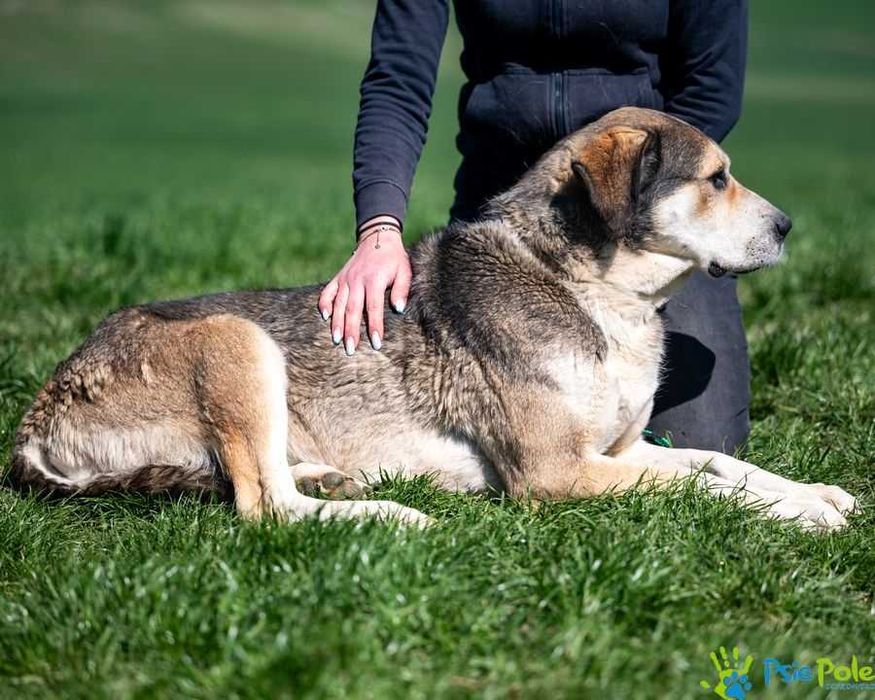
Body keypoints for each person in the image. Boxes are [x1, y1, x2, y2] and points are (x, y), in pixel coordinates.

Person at [318, 0, 750, 454]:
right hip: (509, 221)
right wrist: (380, 229)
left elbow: (711, 88)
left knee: (705, 437)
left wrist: (628, 202)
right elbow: (398, 80)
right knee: (544, 444)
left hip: (643, 214)